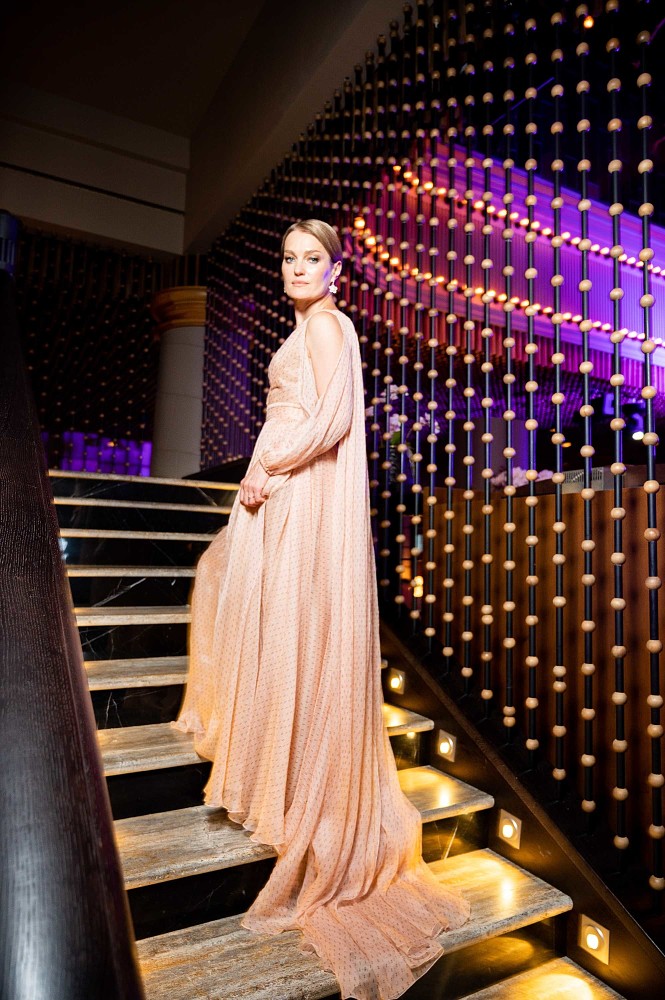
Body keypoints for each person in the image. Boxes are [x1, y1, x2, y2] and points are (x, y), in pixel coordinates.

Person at [173, 219, 470, 1000]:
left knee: (274, 615)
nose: (298, 269)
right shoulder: (306, 327)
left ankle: (295, 777)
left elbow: (332, 420)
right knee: (237, 594)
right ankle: (270, 760)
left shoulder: (331, 326)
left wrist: (269, 464)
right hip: (278, 487)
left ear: (335, 271)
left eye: (312, 259)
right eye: (289, 258)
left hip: (295, 487)